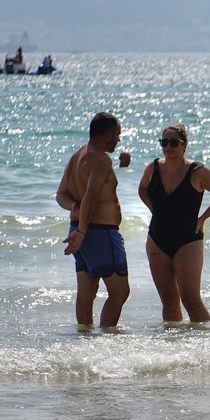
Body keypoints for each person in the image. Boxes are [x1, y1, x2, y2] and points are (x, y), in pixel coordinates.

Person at [138, 124, 210, 323]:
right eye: (164, 142)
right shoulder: (153, 168)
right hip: (157, 238)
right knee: (169, 301)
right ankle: (174, 347)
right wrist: (153, 209)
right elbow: (143, 190)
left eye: (174, 142)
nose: (168, 146)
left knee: (191, 299)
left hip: (188, 240)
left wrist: (203, 218)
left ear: (184, 145)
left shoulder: (197, 171)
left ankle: (206, 346)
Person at [57, 112, 131, 328]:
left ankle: (85, 340)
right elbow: (91, 195)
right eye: (118, 134)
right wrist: (82, 232)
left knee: (86, 292)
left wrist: (74, 209)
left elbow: (61, 194)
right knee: (120, 292)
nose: (119, 139)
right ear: (108, 134)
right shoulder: (100, 160)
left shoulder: (77, 156)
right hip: (98, 233)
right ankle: (106, 342)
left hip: (81, 231)